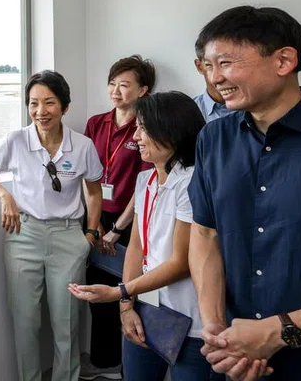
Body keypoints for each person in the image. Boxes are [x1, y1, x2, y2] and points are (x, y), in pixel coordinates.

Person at [189, 6, 301, 381]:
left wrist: (277, 332)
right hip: (235, 363)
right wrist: (215, 325)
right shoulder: (213, 139)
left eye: (225, 63)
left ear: (284, 60)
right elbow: (206, 234)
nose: (215, 78)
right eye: (207, 66)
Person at [69, 91, 224, 381]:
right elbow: (136, 246)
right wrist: (127, 307)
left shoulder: (192, 183)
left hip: (191, 320)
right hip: (146, 308)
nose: (136, 136)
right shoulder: (146, 179)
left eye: (143, 128)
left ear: (171, 131)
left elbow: (181, 262)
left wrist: (119, 292)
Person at [0, 70, 105, 381]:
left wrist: (90, 233)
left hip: (68, 236)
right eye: (33, 103)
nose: (40, 111)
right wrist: (4, 195)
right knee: (25, 322)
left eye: (49, 102)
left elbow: (93, 190)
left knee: (67, 322)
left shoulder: (82, 145)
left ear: (64, 106)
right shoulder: (16, 140)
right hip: (24, 236)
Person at [81, 55, 156, 380]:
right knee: (97, 293)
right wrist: (95, 224)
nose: (116, 91)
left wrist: (116, 230)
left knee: (128, 295)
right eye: (112, 83)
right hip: (95, 220)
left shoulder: (145, 128)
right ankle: (103, 362)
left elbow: (145, 185)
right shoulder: (96, 123)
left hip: (131, 224)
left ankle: (130, 366)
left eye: (124, 85)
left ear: (143, 90)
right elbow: (87, 176)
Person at [192, 39, 231, 122]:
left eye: (226, 63)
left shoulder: (254, 105)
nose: (219, 77)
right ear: (199, 66)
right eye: (209, 65)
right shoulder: (189, 112)